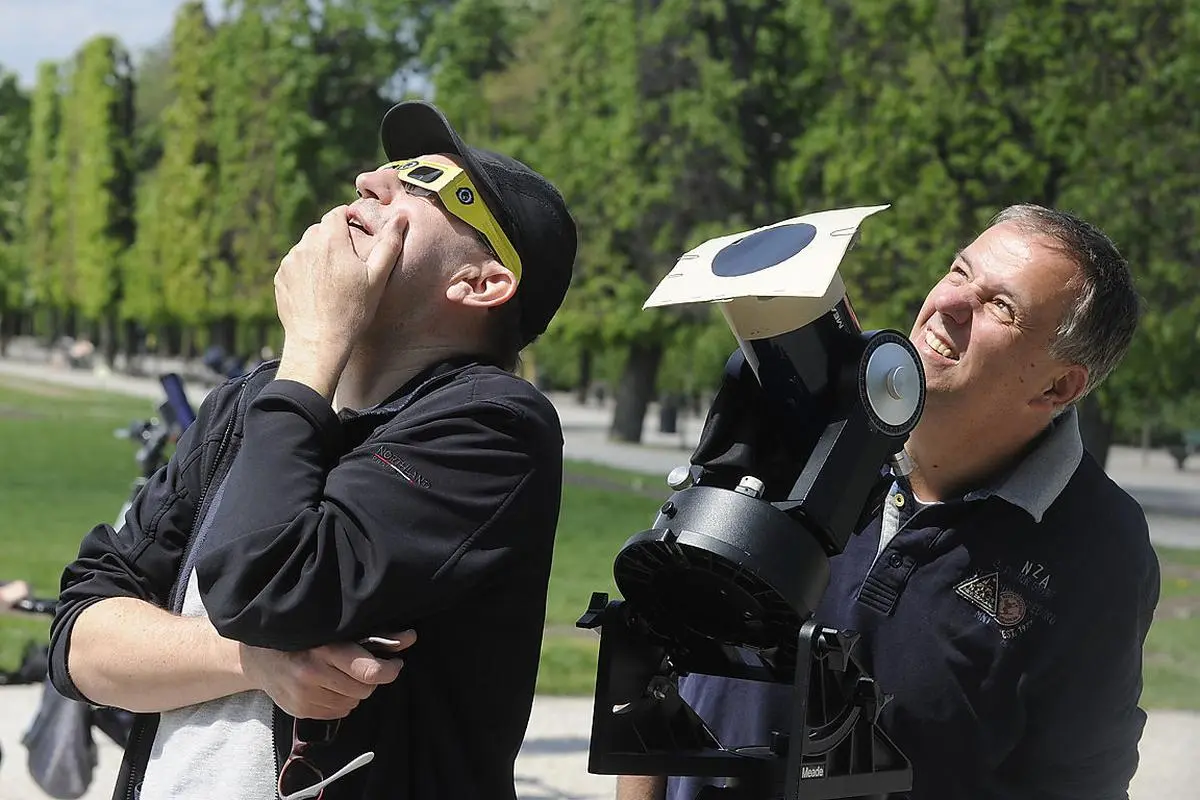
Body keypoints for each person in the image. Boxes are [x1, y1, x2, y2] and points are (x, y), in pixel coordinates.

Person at [48, 100, 578, 800]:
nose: (371, 181)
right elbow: (78, 637)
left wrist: (313, 346)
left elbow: (269, 589)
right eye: (388, 168)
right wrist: (248, 664)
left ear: (480, 282)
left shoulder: (494, 424)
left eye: (426, 184)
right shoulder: (252, 403)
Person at [617, 205, 1160, 800]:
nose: (950, 305)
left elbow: (1079, 784)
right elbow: (658, 663)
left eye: (1000, 307)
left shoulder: (1099, 546)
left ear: (1058, 386)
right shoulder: (794, 417)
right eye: (959, 272)